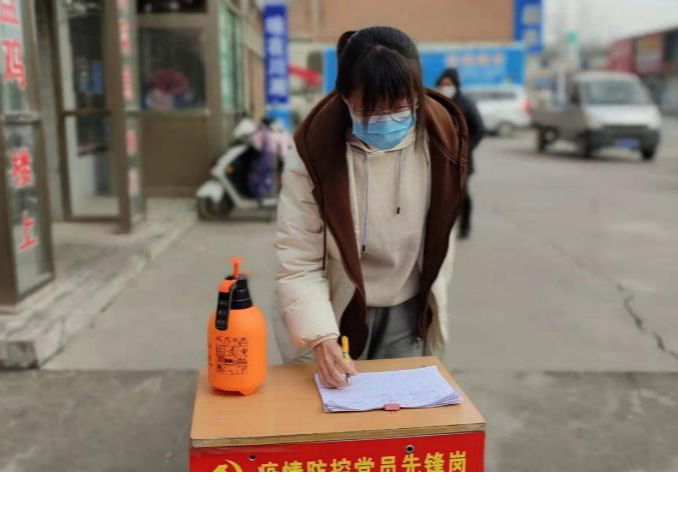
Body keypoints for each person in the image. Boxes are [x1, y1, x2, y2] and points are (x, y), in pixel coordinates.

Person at [276, 27, 469, 389]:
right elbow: (298, 258)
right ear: (344, 97)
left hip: (408, 307)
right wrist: (321, 337)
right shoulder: (314, 151)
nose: (386, 118)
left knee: (402, 414)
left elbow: (443, 233)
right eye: (370, 108)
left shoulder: (442, 139)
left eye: (398, 106)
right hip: (336, 307)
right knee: (331, 409)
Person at [436, 69, 485, 240]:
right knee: (442, 193)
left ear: (455, 85)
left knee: (462, 194)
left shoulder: (465, 103)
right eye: (442, 84)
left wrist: (466, 147)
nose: (445, 87)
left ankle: (465, 226)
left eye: (448, 84)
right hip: (441, 157)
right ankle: (445, 225)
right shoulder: (436, 102)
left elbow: (479, 129)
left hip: (462, 158)